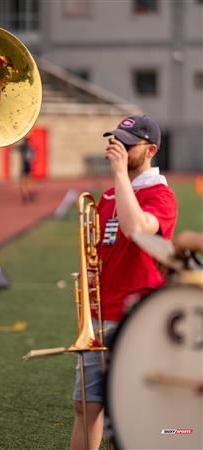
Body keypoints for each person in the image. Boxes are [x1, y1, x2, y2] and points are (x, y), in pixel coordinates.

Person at [70, 115, 178, 450]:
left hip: (135, 319)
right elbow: (106, 249)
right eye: (115, 140)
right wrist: (91, 274)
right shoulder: (107, 197)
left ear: (151, 150)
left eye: (127, 144)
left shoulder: (161, 195)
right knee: (85, 408)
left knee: (133, 414)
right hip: (101, 317)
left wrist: (119, 175)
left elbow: (135, 230)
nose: (117, 148)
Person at [18, 136, 36, 203]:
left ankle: (25, 194)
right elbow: (33, 157)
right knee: (28, 181)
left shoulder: (23, 147)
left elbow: (14, 148)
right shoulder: (30, 148)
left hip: (23, 166)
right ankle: (29, 193)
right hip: (28, 166)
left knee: (23, 182)